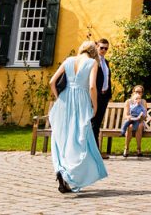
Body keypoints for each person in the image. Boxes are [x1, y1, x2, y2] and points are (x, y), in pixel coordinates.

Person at [48, 40, 108, 194]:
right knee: (79, 139)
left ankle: (60, 170)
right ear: (93, 51)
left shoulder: (69, 60)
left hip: (64, 100)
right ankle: (71, 174)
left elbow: (52, 82)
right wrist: (95, 106)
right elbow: (92, 86)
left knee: (62, 137)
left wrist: (58, 98)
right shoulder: (92, 63)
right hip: (81, 100)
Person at [90, 38, 113, 147]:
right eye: (102, 48)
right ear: (97, 47)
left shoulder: (106, 62)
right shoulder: (93, 61)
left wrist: (108, 94)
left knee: (97, 123)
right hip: (96, 95)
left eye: (106, 48)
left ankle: (95, 150)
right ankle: (95, 150)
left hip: (104, 96)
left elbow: (107, 78)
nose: (104, 50)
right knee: (93, 123)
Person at [120, 85, 147, 158]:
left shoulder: (143, 101)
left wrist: (141, 116)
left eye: (140, 92)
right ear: (133, 92)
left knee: (140, 125)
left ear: (142, 93)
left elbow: (145, 116)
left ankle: (138, 149)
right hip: (130, 120)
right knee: (130, 126)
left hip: (140, 121)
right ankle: (126, 148)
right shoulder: (128, 101)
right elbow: (125, 115)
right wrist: (129, 117)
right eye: (136, 92)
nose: (138, 93)